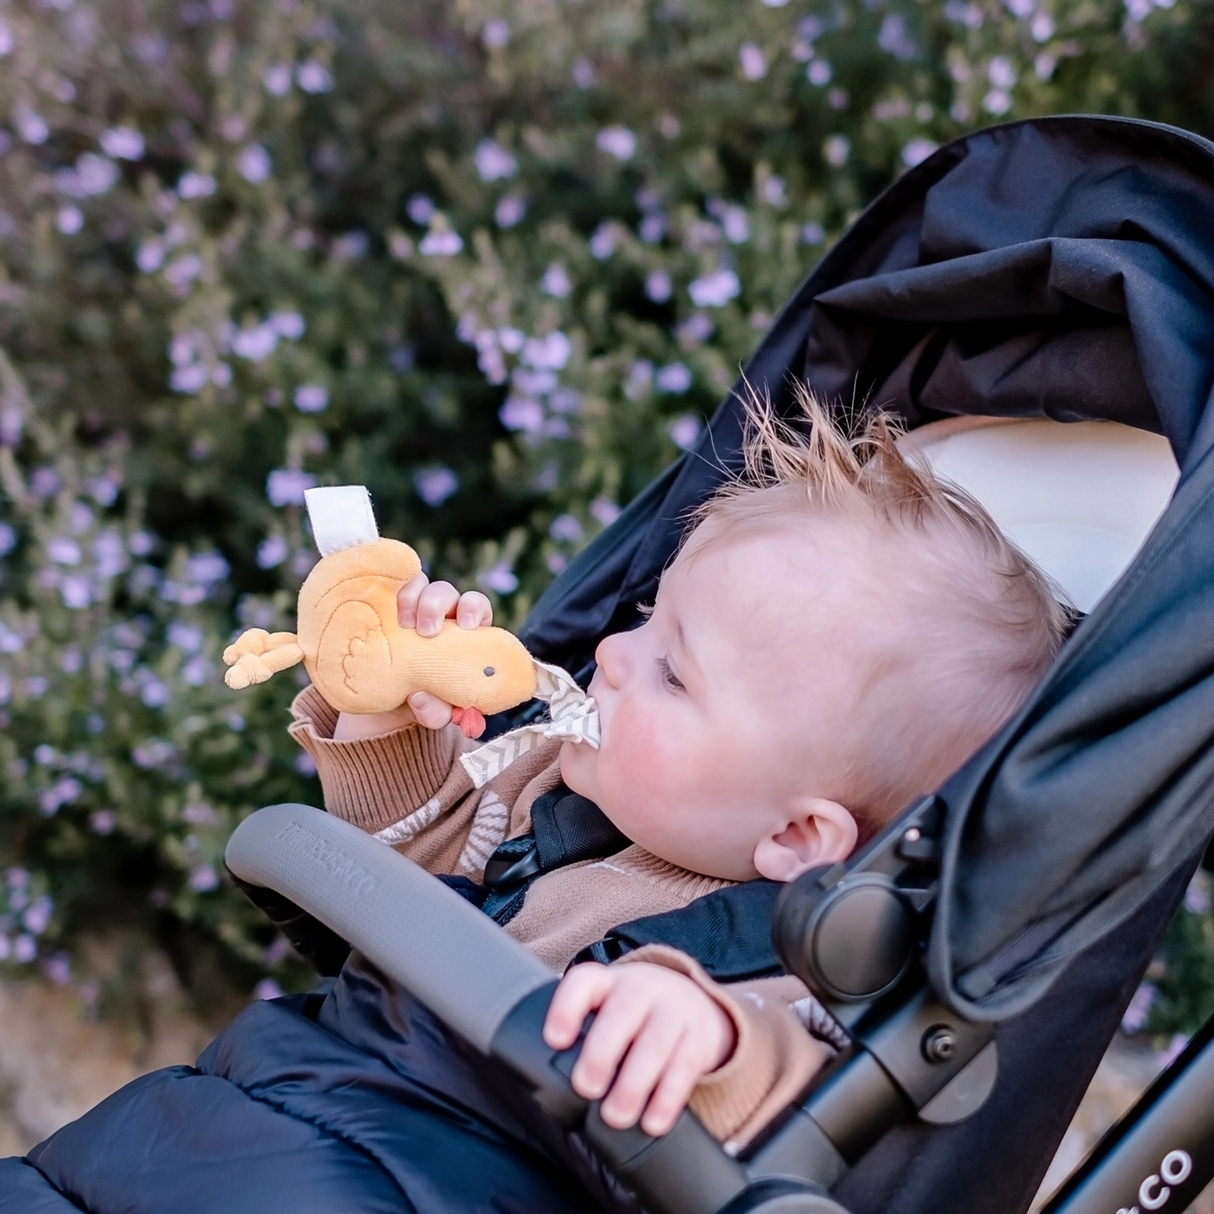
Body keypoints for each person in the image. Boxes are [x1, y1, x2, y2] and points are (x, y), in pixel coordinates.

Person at [289, 386, 1068, 1152]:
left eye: (673, 674)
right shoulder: (550, 789)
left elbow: (797, 1088)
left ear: (796, 834)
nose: (609, 654)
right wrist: (386, 710)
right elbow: (403, 871)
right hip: (321, 1100)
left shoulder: (799, 971)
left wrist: (709, 1040)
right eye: (643, 617)